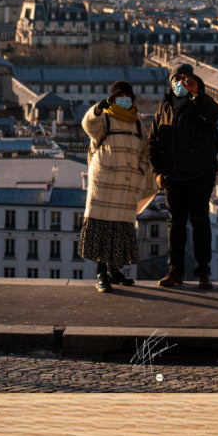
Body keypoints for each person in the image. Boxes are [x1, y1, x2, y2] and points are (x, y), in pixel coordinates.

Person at [148, 62, 218, 290]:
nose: (180, 83)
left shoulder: (199, 104)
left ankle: (203, 272)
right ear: (170, 82)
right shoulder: (164, 106)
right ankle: (175, 271)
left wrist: (197, 94)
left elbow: (216, 113)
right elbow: (153, 141)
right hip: (173, 178)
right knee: (175, 226)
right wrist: (157, 171)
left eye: (185, 79)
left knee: (200, 224)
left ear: (193, 81)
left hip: (199, 177)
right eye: (176, 79)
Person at [78, 80, 152, 293]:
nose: (124, 101)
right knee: (102, 227)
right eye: (120, 98)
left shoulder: (138, 124)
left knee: (119, 229)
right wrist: (97, 110)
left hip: (127, 184)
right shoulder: (106, 120)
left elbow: (145, 149)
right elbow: (88, 125)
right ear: (112, 100)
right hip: (105, 182)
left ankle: (115, 271)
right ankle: (101, 273)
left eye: (127, 98)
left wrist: (141, 169)